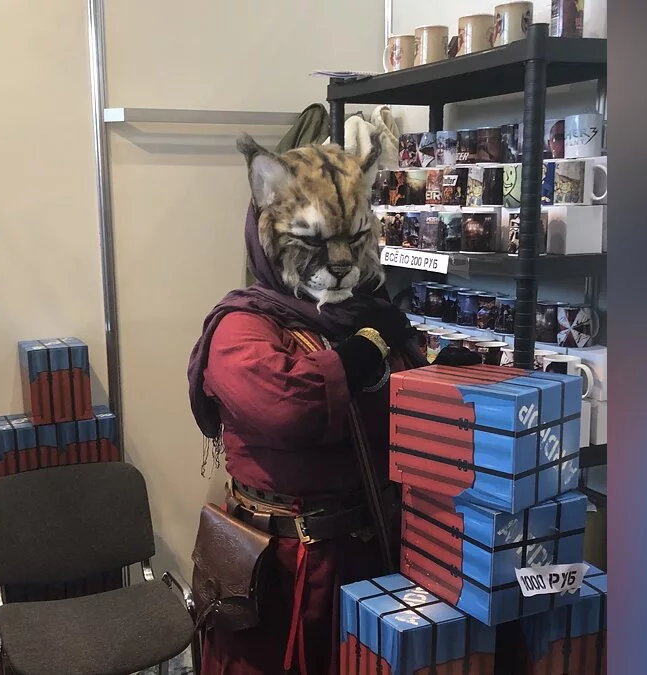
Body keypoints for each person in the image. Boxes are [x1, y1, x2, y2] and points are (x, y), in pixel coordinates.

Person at [188, 135, 477, 674]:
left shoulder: (368, 313)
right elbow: (286, 406)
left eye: (354, 237)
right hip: (281, 572)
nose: (341, 262)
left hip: (373, 556)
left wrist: (438, 379)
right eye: (314, 241)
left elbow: (397, 409)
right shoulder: (241, 327)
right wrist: (359, 354)